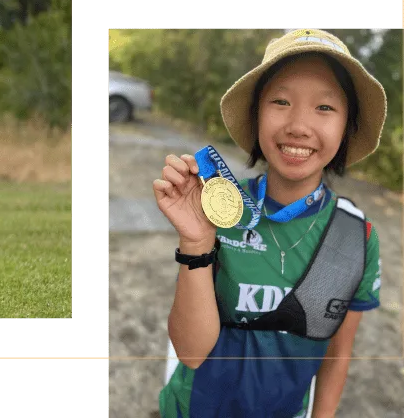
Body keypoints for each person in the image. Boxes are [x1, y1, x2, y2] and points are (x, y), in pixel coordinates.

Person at [153, 28, 386, 417]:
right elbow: (191, 354)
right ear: (256, 115)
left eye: (325, 108)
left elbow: (338, 354)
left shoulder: (357, 237)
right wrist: (195, 242)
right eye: (280, 101)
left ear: (346, 126)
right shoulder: (217, 207)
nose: (298, 125)